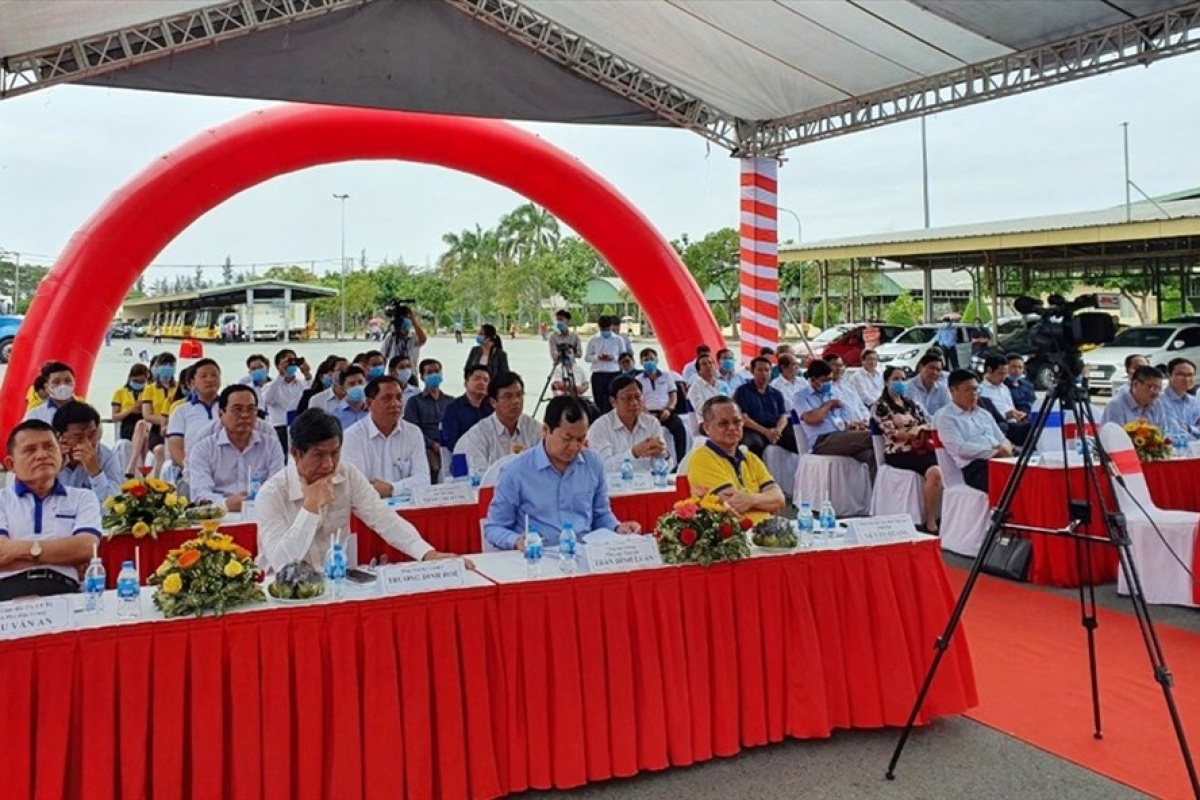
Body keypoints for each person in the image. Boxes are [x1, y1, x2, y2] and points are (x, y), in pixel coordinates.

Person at [256, 410, 463, 570]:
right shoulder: (272, 493)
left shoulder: (347, 474)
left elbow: (383, 517)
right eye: (319, 455)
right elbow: (282, 562)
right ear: (296, 453)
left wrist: (426, 553)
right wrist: (310, 507)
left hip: (334, 581)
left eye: (335, 453)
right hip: (281, 592)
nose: (328, 464)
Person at [483, 397, 641, 550]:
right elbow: (494, 527)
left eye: (580, 439)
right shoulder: (516, 471)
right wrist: (516, 540)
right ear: (546, 430)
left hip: (585, 554)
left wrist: (618, 528)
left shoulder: (593, 464)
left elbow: (601, 515)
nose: (574, 446)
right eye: (567, 438)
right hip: (538, 556)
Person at [0, 420, 102, 601]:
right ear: (10, 464)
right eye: (30, 450)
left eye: (49, 447)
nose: (42, 455)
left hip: (63, 590)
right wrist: (64, 555)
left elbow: (86, 548)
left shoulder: (82, 498)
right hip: (6, 592)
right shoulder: (2, 500)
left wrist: (18, 551)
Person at [685, 396, 785, 524]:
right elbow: (734, 503)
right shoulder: (701, 458)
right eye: (723, 423)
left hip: (766, 533)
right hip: (731, 536)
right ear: (706, 428)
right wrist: (765, 500)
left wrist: (751, 500)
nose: (732, 427)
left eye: (737, 421)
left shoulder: (750, 458)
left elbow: (779, 500)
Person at [186, 385, 285, 511]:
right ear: (221, 414)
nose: (245, 415)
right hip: (218, 517)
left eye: (251, 409)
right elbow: (200, 494)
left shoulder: (271, 445)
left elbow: (279, 487)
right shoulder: (203, 449)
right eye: (237, 409)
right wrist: (226, 504)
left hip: (262, 514)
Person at [871, 367, 942, 532]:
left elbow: (928, 423)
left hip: (921, 447)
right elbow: (895, 436)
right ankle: (930, 520)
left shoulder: (911, 403)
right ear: (886, 382)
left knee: (950, 462)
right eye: (896, 379)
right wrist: (915, 430)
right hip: (899, 452)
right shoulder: (880, 406)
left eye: (903, 379)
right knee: (935, 473)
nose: (900, 383)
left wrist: (911, 429)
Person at [342, 376, 431, 498]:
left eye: (399, 397)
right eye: (387, 398)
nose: (396, 404)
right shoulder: (353, 436)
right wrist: (405, 486)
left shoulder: (413, 433)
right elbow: (355, 485)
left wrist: (392, 489)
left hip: (407, 508)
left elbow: (424, 479)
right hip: (369, 511)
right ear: (369, 403)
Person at [934, 369, 1013, 492]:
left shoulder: (983, 413)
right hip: (976, 467)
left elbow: (1002, 438)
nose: (973, 394)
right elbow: (959, 448)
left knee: (1031, 472)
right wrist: (994, 453)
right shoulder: (946, 418)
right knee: (1011, 484)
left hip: (1001, 458)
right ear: (952, 391)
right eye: (968, 390)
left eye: (975, 389)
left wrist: (1006, 448)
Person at [795, 359, 875, 479]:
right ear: (812, 380)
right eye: (824, 380)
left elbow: (843, 419)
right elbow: (812, 418)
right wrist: (828, 405)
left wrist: (853, 425)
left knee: (872, 455)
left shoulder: (832, 393)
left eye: (830, 380)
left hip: (842, 435)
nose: (828, 383)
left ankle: (873, 494)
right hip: (822, 441)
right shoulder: (801, 396)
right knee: (872, 436)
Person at [453, 371, 543, 471]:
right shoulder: (479, 435)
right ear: (493, 402)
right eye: (508, 396)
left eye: (519, 395)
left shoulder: (535, 429)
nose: (516, 401)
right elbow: (480, 476)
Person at [588, 376, 670, 471]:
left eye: (638, 397)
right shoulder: (600, 427)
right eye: (628, 398)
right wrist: (634, 453)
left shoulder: (652, 423)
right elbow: (603, 466)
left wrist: (664, 455)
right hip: (613, 484)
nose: (634, 403)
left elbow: (662, 466)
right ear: (613, 401)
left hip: (648, 483)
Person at [52, 402, 125, 504]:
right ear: (60, 436)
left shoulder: (107, 457)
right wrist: (53, 469)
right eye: (78, 437)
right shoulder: (47, 456)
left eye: (92, 434)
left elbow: (115, 504)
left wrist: (95, 473)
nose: (88, 443)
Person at [165, 358, 222, 470]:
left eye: (214, 375)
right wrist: (190, 470)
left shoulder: (229, 408)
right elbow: (175, 447)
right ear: (193, 383)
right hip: (190, 470)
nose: (210, 379)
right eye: (204, 376)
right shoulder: (181, 411)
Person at [404, 359, 454, 482]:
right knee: (434, 468)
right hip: (426, 446)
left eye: (437, 371)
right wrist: (432, 444)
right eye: (429, 372)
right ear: (422, 377)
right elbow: (412, 429)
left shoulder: (451, 401)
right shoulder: (414, 402)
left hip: (449, 445)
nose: (434, 375)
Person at [733, 356, 795, 456]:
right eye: (760, 370)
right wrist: (766, 432)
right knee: (753, 445)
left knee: (796, 439)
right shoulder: (742, 391)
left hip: (775, 429)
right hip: (754, 429)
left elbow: (783, 416)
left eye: (767, 370)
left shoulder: (776, 393)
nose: (764, 374)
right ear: (753, 371)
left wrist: (777, 431)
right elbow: (744, 418)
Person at [635, 347, 687, 461]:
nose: (649, 362)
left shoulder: (667, 376)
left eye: (651, 359)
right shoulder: (637, 380)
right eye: (646, 359)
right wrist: (645, 412)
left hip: (665, 411)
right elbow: (637, 400)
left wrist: (669, 409)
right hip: (647, 412)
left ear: (657, 360)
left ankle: (680, 461)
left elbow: (673, 395)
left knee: (679, 428)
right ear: (641, 362)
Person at [136, 353, 182, 477]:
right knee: (159, 450)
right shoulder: (150, 389)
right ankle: (156, 484)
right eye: (164, 364)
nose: (167, 367)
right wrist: (165, 422)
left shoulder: (179, 387)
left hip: (178, 429)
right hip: (157, 430)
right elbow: (147, 415)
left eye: (171, 365)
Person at [262, 349, 312, 456]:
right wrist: (281, 375)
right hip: (280, 427)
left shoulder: (302, 384)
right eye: (288, 362)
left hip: (299, 426)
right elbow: (268, 400)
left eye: (294, 361)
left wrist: (307, 374)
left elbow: (312, 397)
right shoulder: (270, 386)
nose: (291, 365)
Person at [440, 365, 493, 451]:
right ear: (466, 383)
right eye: (477, 379)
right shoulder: (453, 408)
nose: (482, 383)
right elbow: (451, 441)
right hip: (464, 454)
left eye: (486, 380)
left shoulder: (493, 407)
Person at [1101, 365, 1168, 429]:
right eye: (1152, 387)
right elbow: (1115, 437)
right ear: (1136, 384)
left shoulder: (1157, 404)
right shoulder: (1116, 406)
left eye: (1159, 389)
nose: (1156, 393)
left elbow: (1163, 434)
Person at [585, 315, 624, 413]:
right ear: (599, 327)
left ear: (611, 326)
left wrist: (613, 357)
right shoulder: (593, 339)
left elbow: (624, 356)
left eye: (607, 328)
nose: (605, 331)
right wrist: (597, 357)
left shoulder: (618, 339)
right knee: (599, 402)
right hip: (598, 373)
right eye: (603, 328)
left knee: (614, 401)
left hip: (614, 373)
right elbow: (587, 357)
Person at [687, 353, 727, 435]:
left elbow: (729, 402)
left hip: (724, 418)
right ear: (698, 371)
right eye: (704, 364)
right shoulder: (695, 388)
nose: (709, 366)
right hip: (705, 422)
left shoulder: (722, 385)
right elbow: (702, 410)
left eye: (711, 363)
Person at [1160, 358, 1200, 439]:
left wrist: (1189, 428)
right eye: (1181, 374)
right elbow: (1175, 432)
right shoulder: (1160, 401)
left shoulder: (1193, 401)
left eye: (1190, 375)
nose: (1187, 379)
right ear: (1169, 376)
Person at [111, 363, 150, 443]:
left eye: (142, 382)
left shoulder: (149, 392)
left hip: (145, 420)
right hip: (128, 422)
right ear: (130, 378)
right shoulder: (120, 392)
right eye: (136, 381)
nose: (139, 384)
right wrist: (130, 410)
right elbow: (115, 417)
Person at [332, 365, 370, 430]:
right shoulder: (335, 416)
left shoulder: (373, 411)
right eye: (352, 384)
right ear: (343, 388)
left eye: (360, 382)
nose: (357, 386)